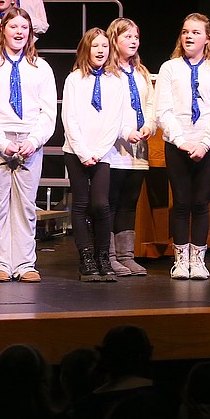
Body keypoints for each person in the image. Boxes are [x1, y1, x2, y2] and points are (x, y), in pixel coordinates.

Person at [0, 8, 57, 283]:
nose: (19, 32)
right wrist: (1, 142)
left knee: (26, 206)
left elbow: (48, 112)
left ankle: (25, 263)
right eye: (13, 26)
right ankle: (1, 263)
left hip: (29, 140)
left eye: (24, 27)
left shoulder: (41, 67)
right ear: (2, 30)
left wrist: (33, 141)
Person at [156, 13, 210, 281]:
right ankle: (180, 259)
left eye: (196, 32)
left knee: (200, 202)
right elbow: (163, 110)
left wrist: (204, 142)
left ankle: (198, 259)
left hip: (207, 145)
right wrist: (182, 141)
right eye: (186, 31)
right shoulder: (170, 68)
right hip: (178, 144)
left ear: (207, 38)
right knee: (181, 202)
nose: (189, 36)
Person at [62, 28, 131, 281]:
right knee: (80, 205)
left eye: (104, 46)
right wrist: (83, 152)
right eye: (95, 46)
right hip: (77, 151)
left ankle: (104, 257)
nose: (100, 50)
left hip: (103, 153)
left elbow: (115, 120)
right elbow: (69, 119)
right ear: (86, 49)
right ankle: (87, 258)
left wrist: (99, 152)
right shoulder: (74, 80)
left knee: (101, 205)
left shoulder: (116, 82)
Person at [106, 18, 156, 276]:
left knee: (129, 203)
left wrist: (149, 126)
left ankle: (127, 255)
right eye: (127, 37)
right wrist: (125, 132)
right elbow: (106, 112)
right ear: (114, 40)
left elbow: (149, 105)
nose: (133, 41)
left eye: (136, 36)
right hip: (115, 149)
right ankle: (110, 255)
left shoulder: (141, 73)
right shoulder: (106, 72)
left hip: (138, 151)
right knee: (111, 202)